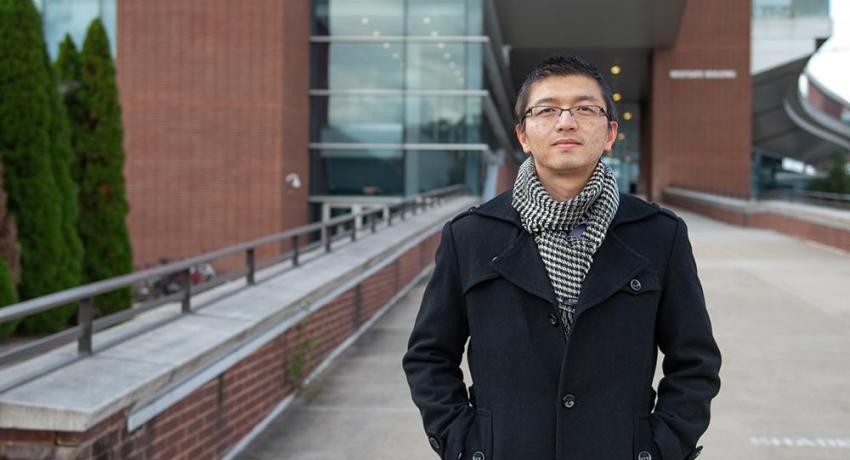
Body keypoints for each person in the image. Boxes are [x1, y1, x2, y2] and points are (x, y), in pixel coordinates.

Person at [402, 55, 721, 460]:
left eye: (585, 109)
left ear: (609, 133)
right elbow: (429, 356)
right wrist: (465, 445)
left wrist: (660, 448)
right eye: (547, 110)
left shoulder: (659, 234)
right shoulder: (471, 235)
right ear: (523, 135)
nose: (566, 122)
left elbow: (695, 361)